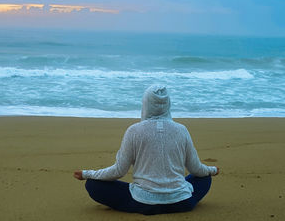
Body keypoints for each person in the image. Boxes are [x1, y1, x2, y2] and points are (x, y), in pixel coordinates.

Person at [73, 85, 219, 215]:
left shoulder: (134, 131)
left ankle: (150, 204)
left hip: (143, 203)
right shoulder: (182, 130)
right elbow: (196, 169)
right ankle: (174, 198)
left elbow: (119, 171)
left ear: (145, 104)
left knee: (93, 184)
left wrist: (88, 174)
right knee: (205, 177)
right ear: (168, 104)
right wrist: (212, 170)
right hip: (181, 202)